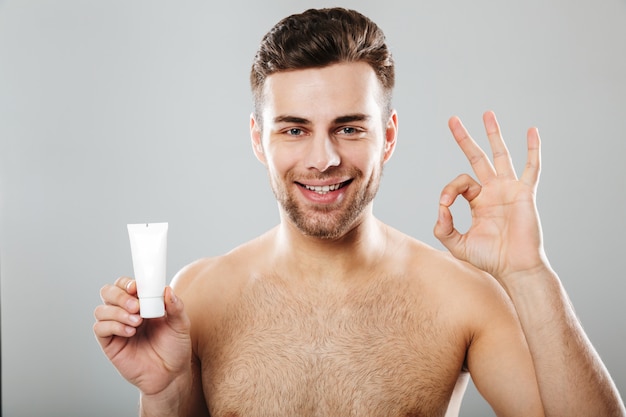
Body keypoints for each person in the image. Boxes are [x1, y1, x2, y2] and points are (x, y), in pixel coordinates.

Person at [93, 7, 625, 417]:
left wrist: (529, 273)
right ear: (258, 139)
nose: (323, 159)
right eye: (294, 129)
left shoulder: (462, 299)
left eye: (349, 128)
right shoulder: (201, 295)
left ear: (387, 136)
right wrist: (163, 393)